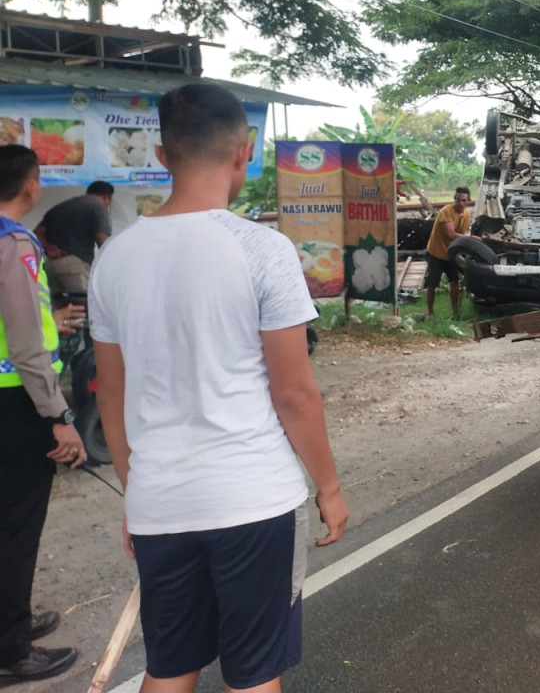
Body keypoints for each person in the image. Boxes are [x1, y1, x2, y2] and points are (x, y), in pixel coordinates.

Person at [90, 84, 348, 693]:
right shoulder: (263, 250)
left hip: (159, 501)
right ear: (245, 150)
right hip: (252, 500)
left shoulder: (115, 257)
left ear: (161, 151)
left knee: (170, 668)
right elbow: (294, 393)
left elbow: (110, 392)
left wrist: (138, 492)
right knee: (254, 675)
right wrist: (330, 487)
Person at [0, 145, 82, 684]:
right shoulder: (14, 241)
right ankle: (10, 649)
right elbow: (28, 347)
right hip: (16, 403)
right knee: (15, 526)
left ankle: (15, 620)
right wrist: (57, 413)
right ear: (31, 186)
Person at [36, 180, 113, 296]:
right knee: (83, 305)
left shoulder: (61, 207)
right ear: (106, 197)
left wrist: (48, 247)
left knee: (59, 308)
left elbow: (37, 232)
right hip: (75, 265)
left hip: (50, 265)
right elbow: (102, 239)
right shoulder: (98, 207)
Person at [425, 186, 472, 319]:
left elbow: (462, 234)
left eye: (463, 200)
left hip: (451, 254)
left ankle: (455, 312)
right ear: (454, 200)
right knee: (432, 283)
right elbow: (450, 234)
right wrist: (470, 238)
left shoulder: (466, 215)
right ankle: (430, 312)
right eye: (458, 200)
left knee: (454, 281)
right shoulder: (446, 211)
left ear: (468, 201)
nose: (460, 203)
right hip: (436, 252)